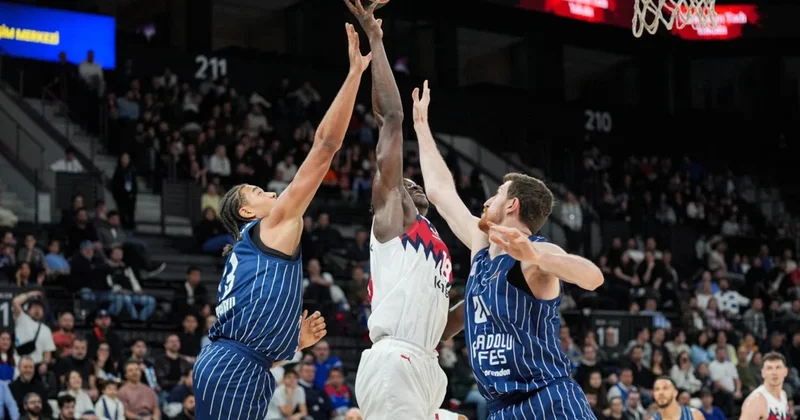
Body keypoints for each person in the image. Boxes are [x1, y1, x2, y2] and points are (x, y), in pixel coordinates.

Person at [192, 21, 371, 420]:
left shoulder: (252, 249)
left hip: (241, 367)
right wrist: (355, 74)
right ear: (246, 212)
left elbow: (249, 336)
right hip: (233, 369)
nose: (271, 193)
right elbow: (325, 146)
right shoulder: (270, 227)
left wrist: (292, 346)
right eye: (258, 193)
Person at [410, 80, 605, 418]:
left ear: (512, 205)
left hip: (548, 399)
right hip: (501, 409)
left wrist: (536, 256)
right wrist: (421, 127)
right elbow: (441, 193)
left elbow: (593, 278)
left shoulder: (535, 257)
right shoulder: (481, 246)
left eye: (496, 193)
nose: (487, 200)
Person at [345, 1, 452, 419]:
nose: (409, 183)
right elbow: (390, 117)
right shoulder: (394, 214)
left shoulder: (434, 238)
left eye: (413, 183)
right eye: (403, 182)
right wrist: (376, 38)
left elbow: (439, 319)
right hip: (395, 361)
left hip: (428, 363)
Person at [739, 352, 790, 420]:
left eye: (778, 367)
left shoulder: (783, 394)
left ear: (785, 371)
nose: (774, 373)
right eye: (769, 368)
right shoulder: (756, 400)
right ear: (763, 373)